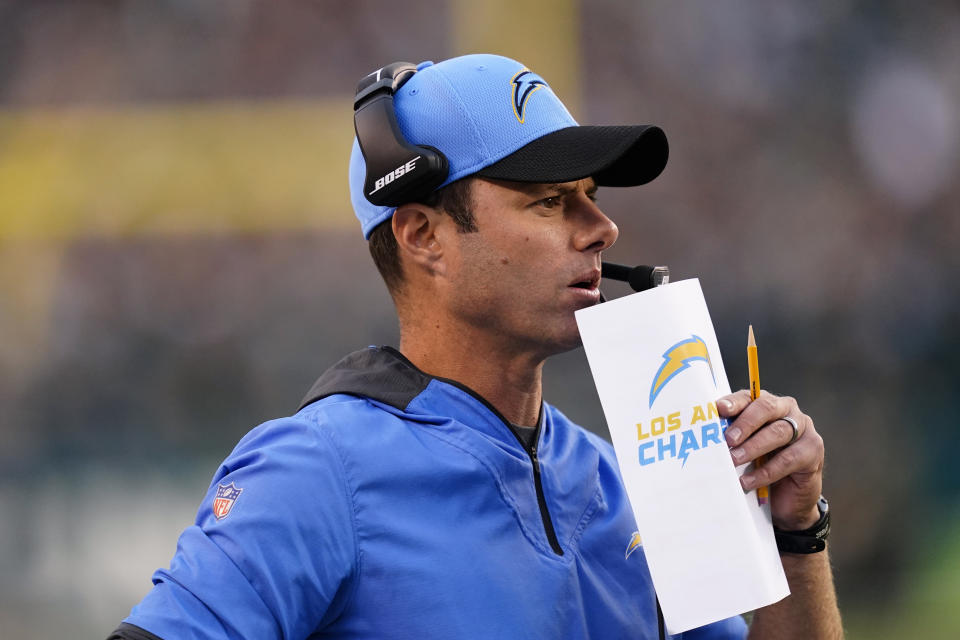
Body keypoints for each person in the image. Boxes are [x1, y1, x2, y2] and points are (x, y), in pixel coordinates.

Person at [109, 54, 842, 639]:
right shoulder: (317, 473)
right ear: (424, 235)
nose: (602, 228)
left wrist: (794, 532)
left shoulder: (623, 482)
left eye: (592, 195)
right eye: (550, 201)